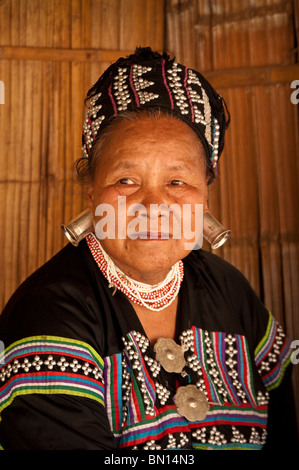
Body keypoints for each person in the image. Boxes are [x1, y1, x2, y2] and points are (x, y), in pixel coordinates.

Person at [0, 47, 297, 450]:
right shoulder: (48, 317)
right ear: (92, 194)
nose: (154, 207)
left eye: (177, 183)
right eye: (126, 181)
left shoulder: (232, 292)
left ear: (205, 198)